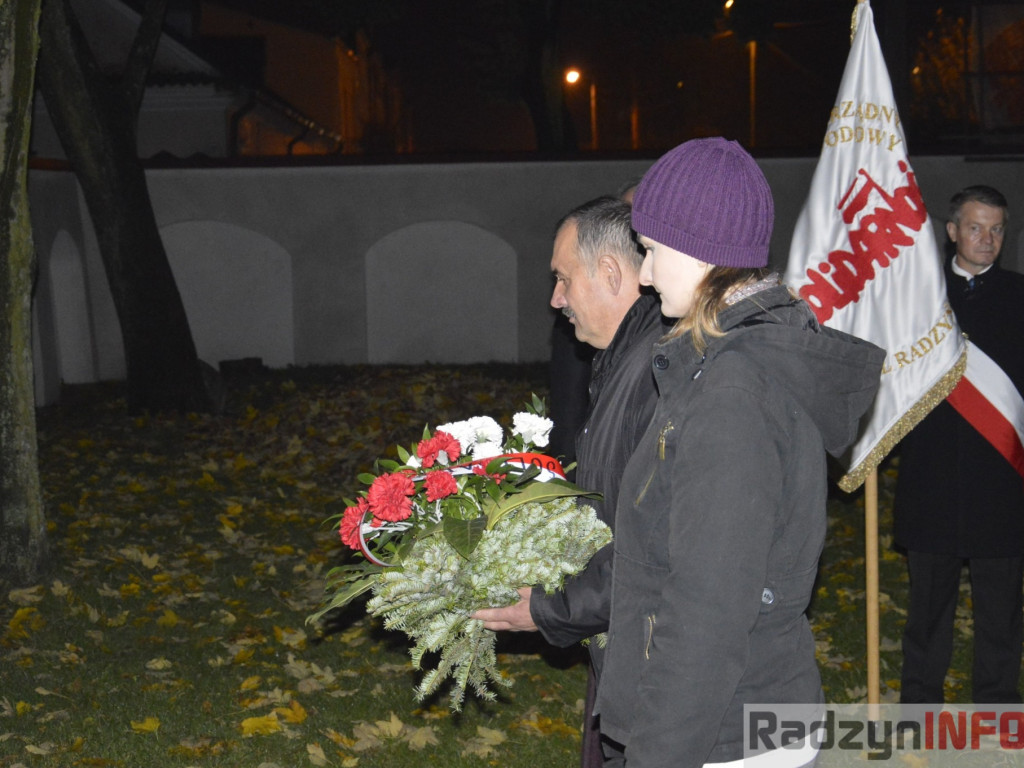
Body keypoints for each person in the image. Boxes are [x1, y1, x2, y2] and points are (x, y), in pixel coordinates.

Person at [593, 137, 884, 767]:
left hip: (727, 736)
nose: (643, 274)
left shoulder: (734, 393)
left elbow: (707, 612)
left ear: (702, 253)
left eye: (651, 251)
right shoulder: (723, 366)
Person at [474, 195, 666, 767]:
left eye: (563, 278)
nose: (555, 299)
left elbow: (653, 549)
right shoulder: (623, 361)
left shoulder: (656, 373)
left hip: (665, 682)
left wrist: (547, 608)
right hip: (630, 662)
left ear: (610, 272)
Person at [894, 184, 1024, 704]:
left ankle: (996, 710)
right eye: (975, 227)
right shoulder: (917, 299)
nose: (987, 239)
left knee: (1000, 612)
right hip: (933, 477)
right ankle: (919, 708)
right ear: (951, 232)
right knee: (927, 609)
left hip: (1001, 480)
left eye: (996, 229)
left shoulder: (1020, 296)